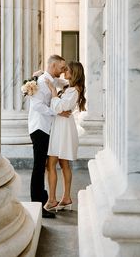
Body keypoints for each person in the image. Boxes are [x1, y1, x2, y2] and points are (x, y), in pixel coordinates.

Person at [28, 55, 69, 218]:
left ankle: (42, 196)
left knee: (43, 164)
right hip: (39, 128)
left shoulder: (50, 79)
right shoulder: (41, 82)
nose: (63, 70)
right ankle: (37, 203)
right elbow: (37, 105)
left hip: (46, 128)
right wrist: (57, 111)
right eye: (62, 67)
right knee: (39, 166)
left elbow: (65, 83)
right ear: (52, 66)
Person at [43, 61, 86, 212]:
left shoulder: (74, 90)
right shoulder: (70, 87)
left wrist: (54, 92)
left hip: (64, 129)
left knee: (54, 163)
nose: (63, 72)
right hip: (61, 126)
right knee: (60, 163)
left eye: (66, 70)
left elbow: (60, 107)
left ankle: (54, 199)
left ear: (73, 73)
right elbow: (57, 80)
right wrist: (41, 75)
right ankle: (64, 198)